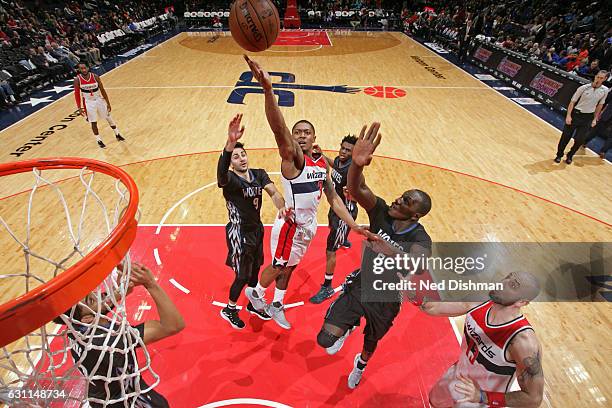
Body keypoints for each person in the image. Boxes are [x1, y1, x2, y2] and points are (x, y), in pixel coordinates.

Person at [243, 55, 376, 330]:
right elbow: (278, 129)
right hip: (291, 225)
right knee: (279, 266)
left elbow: (334, 198)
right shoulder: (294, 159)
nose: (301, 136)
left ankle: (277, 303)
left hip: (308, 226)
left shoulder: (319, 163)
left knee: (289, 268)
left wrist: (354, 225)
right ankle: (254, 294)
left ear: (314, 138)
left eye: (307, 132)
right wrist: (269, 91)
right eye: (297, 132)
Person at [316, 122, 433, 390]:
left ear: (415, 215)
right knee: (325, 340)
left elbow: (417, 264)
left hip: (386, 298)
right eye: (401, 196)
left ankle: (360, 364)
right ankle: (347, 327)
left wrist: (389, 250)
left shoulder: (420, 238)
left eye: (406, 202)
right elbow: (357, 191)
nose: (397, 200)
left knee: (371, 343)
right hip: (361, 284)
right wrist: (356, 166)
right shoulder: (380, 211)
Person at [53, 262, 185, 407]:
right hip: (126, 401)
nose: (97, 295)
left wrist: (122, 287)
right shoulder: (111, 343)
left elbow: (100, 305)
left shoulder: (76, 326)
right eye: (91, 299)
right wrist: (150, 284)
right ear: (87, 318)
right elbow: (173, 325)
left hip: (101, 397)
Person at [422, 272, 544, 408]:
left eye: (513, 285)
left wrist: (481, 396)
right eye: (507, 276)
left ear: (522, 302)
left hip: (482, 400)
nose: (502, 282)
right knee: (434, 400)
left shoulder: (522, 341)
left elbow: (533, 399)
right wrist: (417, 296)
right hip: (458, 376)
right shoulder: (480, 300)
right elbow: (434, 307)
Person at [217, 113, 290, 329]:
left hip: (257, 230)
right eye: (236, 157)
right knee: (242, 275)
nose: (241, 158)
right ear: (231, 164)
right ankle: (229, 309)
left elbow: (273, 192)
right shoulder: (230, 180)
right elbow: (220, 173)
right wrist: (230, 143)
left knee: (256, 270)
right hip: (239, 232)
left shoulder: (258, 174)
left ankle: (252, 303)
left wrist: (282, 206)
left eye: (243, 154)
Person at [309, 135, 359, 304]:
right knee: (332, 225)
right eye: (343, 148)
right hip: (336, 205)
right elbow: (335, 164)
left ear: (354, 153)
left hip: (345, 211)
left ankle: (327, 287)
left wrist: (353, 193)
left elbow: (359, 189)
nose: (343, 152)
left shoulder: (353, 171)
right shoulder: (340, 160)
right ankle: (344, 239)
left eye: (348, 150)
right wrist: (322, 155)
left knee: (330, 250)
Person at [555, 70, 609, 164]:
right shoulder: (583, 88)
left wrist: (595, 118)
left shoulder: (605, 90)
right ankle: (559, 155)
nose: (598, 79)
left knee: (580, 139)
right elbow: (572, 102)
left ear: (605, 79)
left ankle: (570, 155)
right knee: (565, 137)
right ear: (595, 76)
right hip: (576, 114)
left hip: (588, 117)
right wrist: (568, 116)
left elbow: (600, 105)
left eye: (601, 78)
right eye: (597, 77)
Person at [74, 62, 125, 148]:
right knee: (93, 122)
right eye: (81, 68)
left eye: (85, 68)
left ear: (88, 67)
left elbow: (103, 90)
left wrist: (108, 103)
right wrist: (79, 107)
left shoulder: (95, 77)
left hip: (99, 100)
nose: (83, 70)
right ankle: (99, 140)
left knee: (109, 117)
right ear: (79, 69)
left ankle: (117, 134)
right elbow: (77, 94)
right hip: (88, 102)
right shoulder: (77, 79)